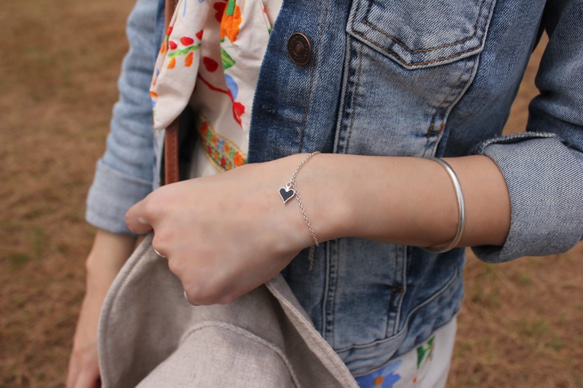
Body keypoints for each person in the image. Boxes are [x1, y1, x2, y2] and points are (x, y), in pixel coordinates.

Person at [66, 0, 583, 386]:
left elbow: (572, 162)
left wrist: (319, 197)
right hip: (168, 294)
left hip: (359, 356)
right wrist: (102, 277)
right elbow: (155, 51)